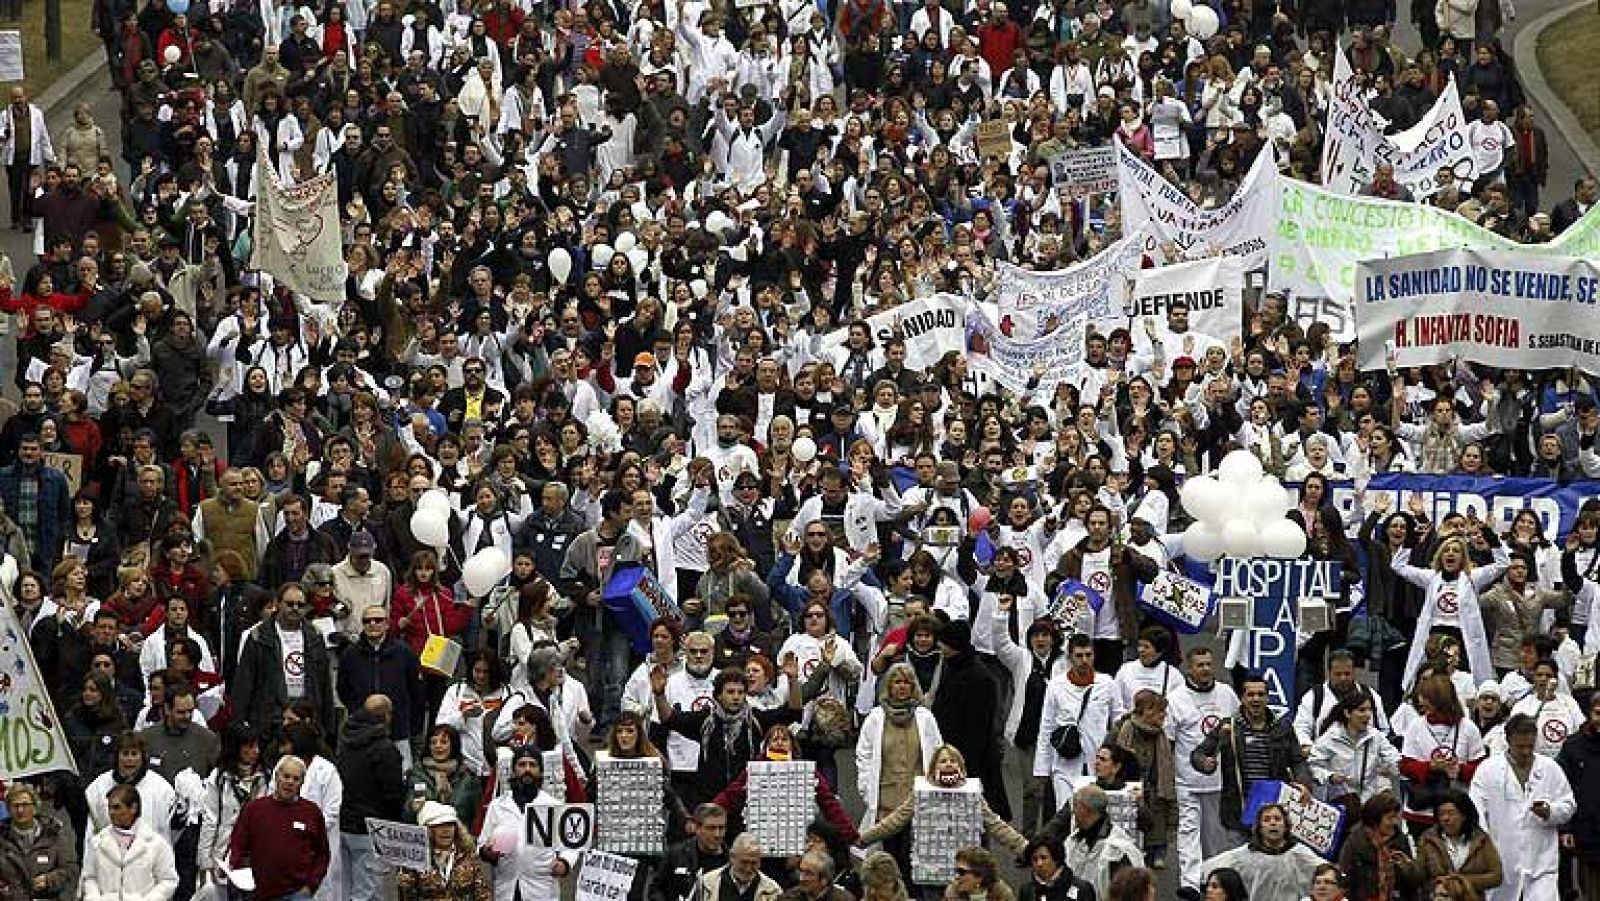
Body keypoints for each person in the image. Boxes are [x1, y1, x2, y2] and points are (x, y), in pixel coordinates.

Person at [1190, 674, 1313, 835]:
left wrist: (1303, 782)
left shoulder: (1283, 728)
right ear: (1242, 698)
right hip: (1238, 810)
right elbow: (1197, 754)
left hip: (1274, 809)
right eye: (1250, 694)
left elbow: (1298, 761)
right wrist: (1205, 763)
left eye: (1261, 694)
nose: (1256, 699)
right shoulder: (1229, 726)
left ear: (1267, 698)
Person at [1469, 714, 1574, 901]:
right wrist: (1484, 844)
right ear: (1508, 740)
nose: (1526, 752)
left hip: (1541, 858)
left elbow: (1568, 805)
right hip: (1502, 856)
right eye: (1520, 747)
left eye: (1530, 747)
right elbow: (1475, 809)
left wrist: (1550, 811)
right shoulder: (1488, 770)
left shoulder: (1550, 769)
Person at [478, 748, 578, 901]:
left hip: (541, 888)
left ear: (541, 772)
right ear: (513, 771)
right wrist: (488, 852)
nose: (527, 770)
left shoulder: (554, 806)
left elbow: (571, 845)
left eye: (532, 765)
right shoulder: (497, 806)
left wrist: (564, 863)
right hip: (507, 887)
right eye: (522, 765)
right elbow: (482, 842)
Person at [229, 756, 333, 901]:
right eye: (286, 776)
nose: (290, 782)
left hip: (298, 894)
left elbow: (322, 854)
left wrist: (310, 886)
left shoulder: (312, 812)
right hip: (259, 894)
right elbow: (238, 844)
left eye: (296, 779)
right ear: (277, 777)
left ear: (302, 783)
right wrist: (237, 872)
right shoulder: (254, 809)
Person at [337, 694, 408, 901]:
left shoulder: (345, 742)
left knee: (346, 890)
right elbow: (393, 793)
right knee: (369, 893)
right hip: (372, 830)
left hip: (344, 826)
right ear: (386, 716)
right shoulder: (384, 749)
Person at [1200, 803, 1324, 900]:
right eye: (1267, 819)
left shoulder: (1300, 853)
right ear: (1259, 827)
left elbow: (1326, 871)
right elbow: (1206, 870)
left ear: (1286, 826)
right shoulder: (1244, 855)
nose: (1273, 823)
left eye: (1277, 819)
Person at [80, 784, 177, 901]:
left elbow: (168, 880)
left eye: (116, 807)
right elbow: (89, 877)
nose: (111, 812)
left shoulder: (156, 844)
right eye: (109, 808)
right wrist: (94, 898)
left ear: (133, 808)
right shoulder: (97, 842)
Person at [1061, 783, 1145, 901]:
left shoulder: (1118, 851)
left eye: (1076, 806)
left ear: (1086, 809)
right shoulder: (1071, 841)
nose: (1073, 812)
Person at [1337, 792, 1427, 900]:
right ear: (1375, 819)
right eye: (1390, 818)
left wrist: (1408, 869)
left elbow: (1416, 883)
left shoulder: (1401, 841)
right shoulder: (1354, 842)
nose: (1394, 822)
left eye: (1396, 817)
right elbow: (1345, 883)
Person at [395, 801, 492, 901]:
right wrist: (404, 885)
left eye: (450, 825)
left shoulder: (467, 855)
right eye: (439, 825)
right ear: (426, 829)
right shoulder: (415, 859)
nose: (446, 830)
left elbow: (482, 893)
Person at [1415, 790, 1504, 898]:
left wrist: (1462, 882)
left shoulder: (1481, 839)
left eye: (1451, 813)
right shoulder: (1428, 839)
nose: (1445, 818)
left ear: (1464, 815)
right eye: (1441, 814)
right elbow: (1419, 876)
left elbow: (1496, 876)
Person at [0, 783, 78, 901]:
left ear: (35, 807)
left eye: (25, 805)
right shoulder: (2, 837)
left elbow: (71, 870)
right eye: (15, 805)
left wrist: (49, 880)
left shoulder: (54, 833)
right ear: (8, 808)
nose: (20, 810)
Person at [1556, 692, 1600, 897]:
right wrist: (1566, 828)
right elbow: (1561, 788)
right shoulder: (1573, 747)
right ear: (1589, 714)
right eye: (1598, 713)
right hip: (1587, 834)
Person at [650, 803, 731, 901]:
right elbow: (655, 890)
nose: (717, 834)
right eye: (711, 828)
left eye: (721, 828)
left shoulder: (731, 862)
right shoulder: (676, 855)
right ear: (697, 828)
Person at [689, 832, 783, 901]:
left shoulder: (772, 890)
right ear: (732, 857)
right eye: (744, 862)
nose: (748, 868)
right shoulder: (706, 883)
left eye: (754, 863)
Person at [1018, 834, 1097, 901]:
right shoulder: (1027, 891)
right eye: (1034, 859)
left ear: (1056, 859)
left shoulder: (1082, 889)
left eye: (1043, 858)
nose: (1039, 864)